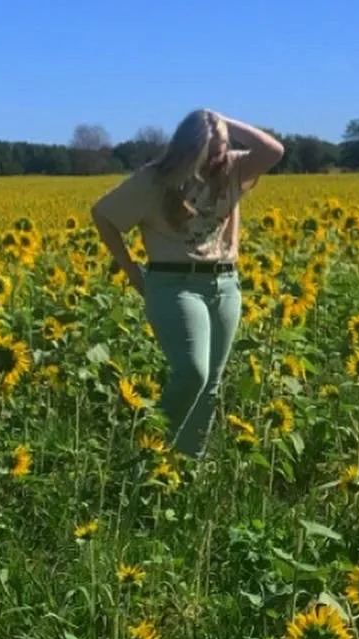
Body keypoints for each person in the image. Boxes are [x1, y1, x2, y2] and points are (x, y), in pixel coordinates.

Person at [91, 109, 285, 456]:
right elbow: (103, 215)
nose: (219, 157)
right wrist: (134, 273)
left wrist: (221, 120)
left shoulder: (231, 169)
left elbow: (274, 150)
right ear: (187, 150)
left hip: (224, 284)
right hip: (174, 284)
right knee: (192, 373)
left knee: (210, 384)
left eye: (223, 148)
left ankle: (185, 469)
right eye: (210, 150)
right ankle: (145, 454)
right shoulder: (154, 181)